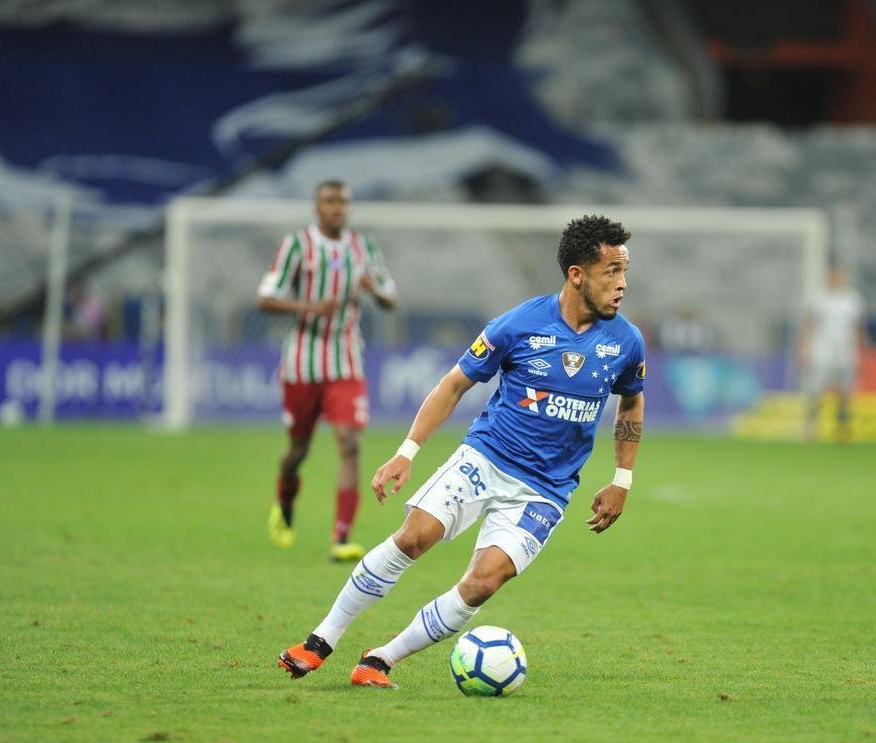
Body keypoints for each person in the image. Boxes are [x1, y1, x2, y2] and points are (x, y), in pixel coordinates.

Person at [276, 214, 646, 688]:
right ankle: (321, 639)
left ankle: (382, 659)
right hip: (486, 459)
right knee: (414, 537)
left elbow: (631, 402)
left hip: (546, 490)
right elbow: (453, 385)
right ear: (577, 274)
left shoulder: (626, 342)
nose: (622, 284)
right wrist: (407, 451)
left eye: (624, 271)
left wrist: (621, 480)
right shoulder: (517, 325)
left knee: (484, 582)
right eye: (612, 271)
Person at [257, 180, 397, 562]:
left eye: (343, 202)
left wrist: (373, 290)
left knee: (350, 443)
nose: (338, 208)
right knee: (297, 451)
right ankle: (285, 498)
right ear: (317, 207)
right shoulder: (297, 245)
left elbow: (390, 297)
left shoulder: (364, 247)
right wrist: (309, 306)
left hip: (346, 358)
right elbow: (265, 298)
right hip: (302, 361)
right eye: (330, 201)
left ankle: (341, 536)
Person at [800, 264, 865, 443]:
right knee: (816, 389)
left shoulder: (853, 299)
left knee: (845, 390)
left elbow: (858, 326)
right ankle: (812, 427)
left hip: (846, 349)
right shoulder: (819, 299)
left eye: (839, 276)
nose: (836, 280)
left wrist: (861, 350)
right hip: (822, 348)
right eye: (833, 276)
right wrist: (806, 348)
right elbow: (809, 324)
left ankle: (842, 428)